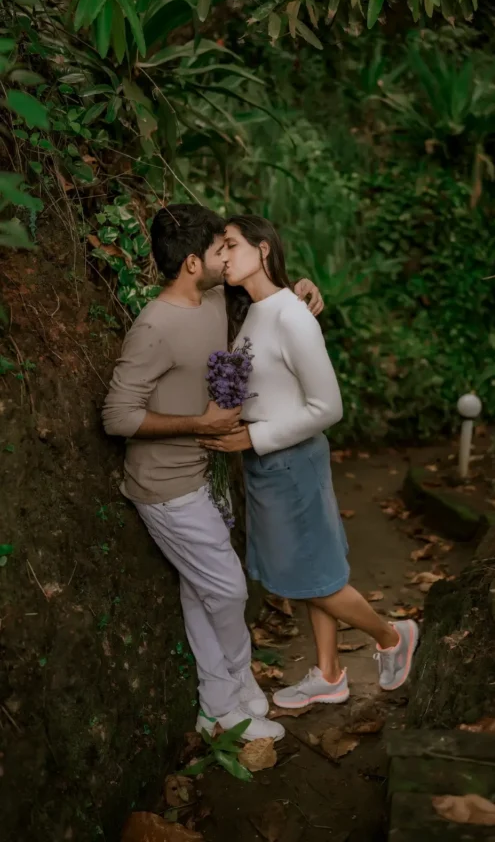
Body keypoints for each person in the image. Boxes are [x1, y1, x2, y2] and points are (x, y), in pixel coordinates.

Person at [102, 204, 324, 741]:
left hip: (202, 477)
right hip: (165, 487)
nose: (229, 256)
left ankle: (220, 702)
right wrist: (197, 422)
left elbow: (268, 298)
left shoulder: (214, 297)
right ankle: (235, 689)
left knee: (201, 589)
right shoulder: (154, 327)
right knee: (226, 589)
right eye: (221, 249)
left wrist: (303, 286)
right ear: (193, 263)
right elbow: (117, 416)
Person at [200, 214, 419, 710]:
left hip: (290, 463)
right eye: (220, 247)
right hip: (269, 465)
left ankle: (392, 636)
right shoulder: (252, 310)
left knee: (310, 577)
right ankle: (329, 673)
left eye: (232, 244)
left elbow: (328, 408)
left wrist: (253, 439)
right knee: (311, 571)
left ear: (262, 249)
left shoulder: (291, 315)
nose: (225, 255)